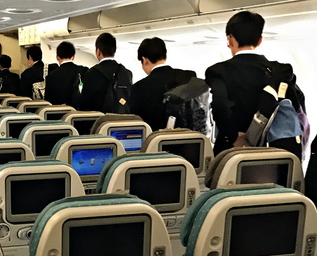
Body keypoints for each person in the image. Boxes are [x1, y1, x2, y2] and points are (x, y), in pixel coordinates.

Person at [205, 10, 304, 153]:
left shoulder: (218, 71)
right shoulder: (282, 71)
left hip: (233, 149)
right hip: (275, 148)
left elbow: (221, 105)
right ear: (260, 40)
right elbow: (296, 108)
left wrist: (232, 137)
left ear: (230, 39)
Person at [129, 37, 196, 131]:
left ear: (144, 60)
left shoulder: (138, 88)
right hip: (191, 137)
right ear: (165, 56)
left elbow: (135, 122)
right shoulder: (188, 77)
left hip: (154, 139)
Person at [79, 32, 133, 112]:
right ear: (114, 51)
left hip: (99, 119)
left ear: (98, 51)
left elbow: (84, 104)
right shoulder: (127, 73)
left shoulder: (91, 74)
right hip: (122, 118)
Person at [45, 41, 85, 107]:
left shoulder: (50, 76)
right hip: (79, 112)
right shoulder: (84, 71)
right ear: (73, 57)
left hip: (57, 112)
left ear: (57, 57)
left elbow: (48, 103)